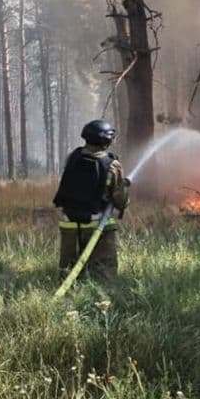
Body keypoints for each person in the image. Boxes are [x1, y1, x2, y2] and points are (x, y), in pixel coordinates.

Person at [52, 119, 130, 286]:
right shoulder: (112, 165)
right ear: (106, 140)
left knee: (69, 268)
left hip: (69, 225)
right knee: (103, 269)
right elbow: (120, 201)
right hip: (98, 224)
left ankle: (68, 300)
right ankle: (103, 299)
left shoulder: (73, 157)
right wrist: (124, 190)